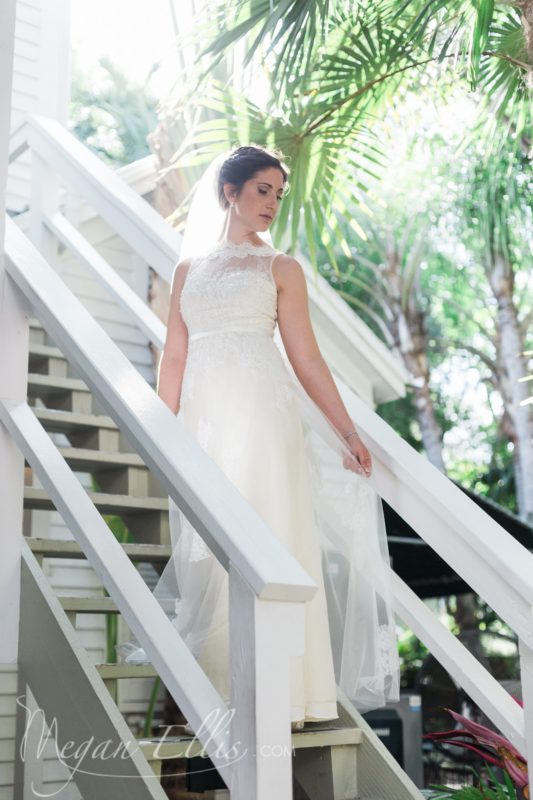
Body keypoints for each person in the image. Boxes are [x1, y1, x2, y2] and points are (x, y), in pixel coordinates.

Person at [125, 145, 399, 729]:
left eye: (279, 193)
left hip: (263, 417)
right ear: (229, 192)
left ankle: (290, 698)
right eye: (262, 190)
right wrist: (161, 431)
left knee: (272, 533)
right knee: (211, 556)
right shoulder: (187, 271)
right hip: (204, 421)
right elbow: (173, 356)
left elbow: (305, 359)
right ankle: (228, 692)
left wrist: (345, 431)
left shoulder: (281, 269)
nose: (273, 202)